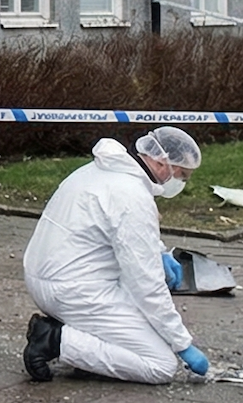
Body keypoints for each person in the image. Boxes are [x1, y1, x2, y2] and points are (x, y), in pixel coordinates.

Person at [22, 127, 209, 383]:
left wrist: (158, 251)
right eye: (182, 174)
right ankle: (54, 340)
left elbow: (119, 230)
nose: (181, 182)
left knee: (140, 315)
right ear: (159, 161)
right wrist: (181, 343)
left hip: (47, 276)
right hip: (73, 290)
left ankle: (87, 347)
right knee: (160, 364)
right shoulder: (131, 194)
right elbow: (147, 286)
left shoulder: (100, 170)